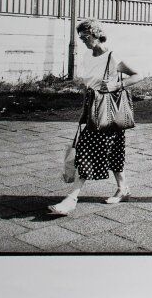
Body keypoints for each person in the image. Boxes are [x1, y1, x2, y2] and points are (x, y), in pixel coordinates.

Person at [48, 18, 142, 216]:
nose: (83, 41)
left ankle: (71, 198)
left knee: (86, 152)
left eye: (86, 37)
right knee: (113, 153)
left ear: (96, 35)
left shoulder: (113, 56)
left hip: (109, 112)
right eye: (81, 38)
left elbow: (138, 75)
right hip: (93, 109)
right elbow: (89, 86)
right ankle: (123, 188)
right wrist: (84, 112)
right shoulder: (87, 57)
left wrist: (117, 85)